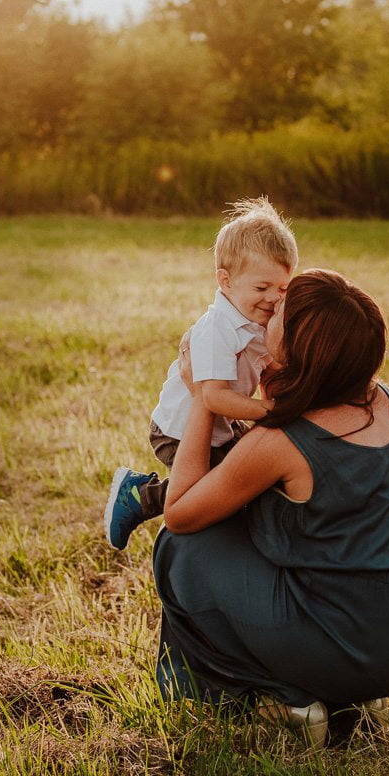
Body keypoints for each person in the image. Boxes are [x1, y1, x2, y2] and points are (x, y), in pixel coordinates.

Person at [150, 268, 389, 746]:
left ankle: (284, 696)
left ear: (299, 350)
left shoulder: (283, 441)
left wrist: (203, 398)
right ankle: (351, 695)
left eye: (279, 314)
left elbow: (181, 513)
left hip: (351, 647)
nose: (269, 310)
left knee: (181, 549)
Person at [104, 198, 298, 550]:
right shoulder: (217, 330)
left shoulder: (254, 320)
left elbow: (267, 364)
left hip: (221, 426)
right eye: (261, 288)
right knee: (215, 487)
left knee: (249, 471)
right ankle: (138, 496)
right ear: (225, 280)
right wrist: (270, 412)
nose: (273, 298)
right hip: (180, 430)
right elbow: (212, 397)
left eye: (282, 288)